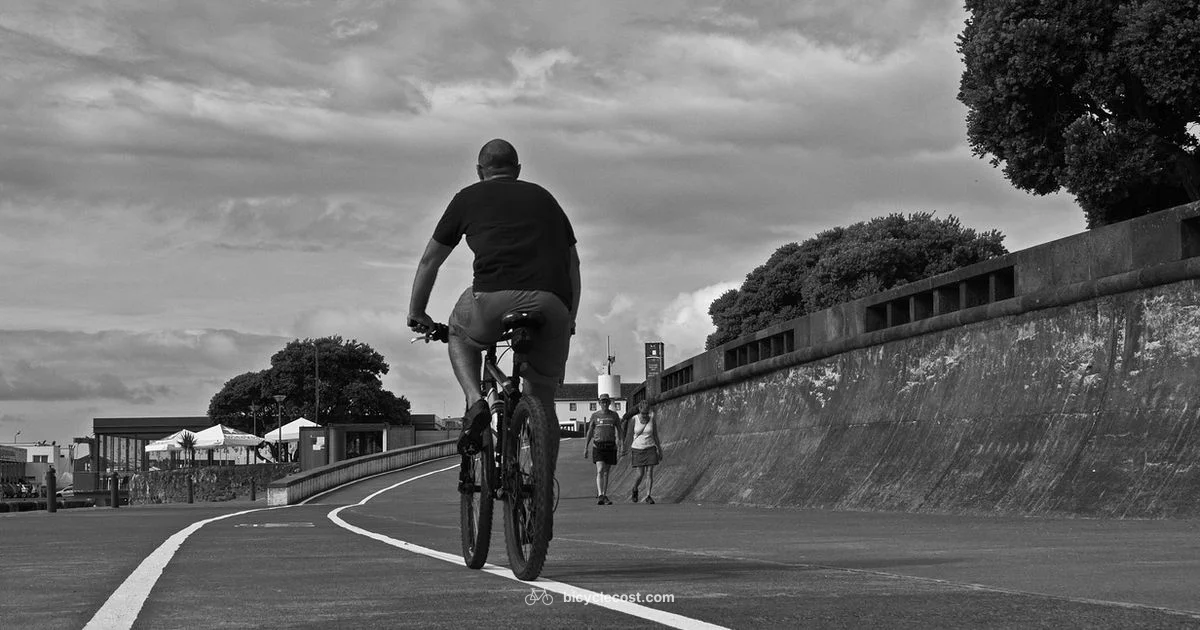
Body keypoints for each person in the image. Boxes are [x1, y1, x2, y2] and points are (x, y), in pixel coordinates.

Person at [407, 139, 580, 458]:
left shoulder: (467, 198)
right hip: (552, 304)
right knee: (543, 401)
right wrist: (570, 319)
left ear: (479, 171)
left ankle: (475, 401)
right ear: (518, 170)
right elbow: (573, 265)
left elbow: (430, 261)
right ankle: (542, 483)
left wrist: (418, 313)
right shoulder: (546, 198)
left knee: (458, 331)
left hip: (492, 302)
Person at [583, 393, 624, 505]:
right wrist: (586, 447)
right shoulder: (595, 415)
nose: (604, 404)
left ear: (609, 403)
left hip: (610, 446)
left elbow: (620, 430)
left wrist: (622, 444)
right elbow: (590, 432)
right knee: (600, 469)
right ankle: (600, 495)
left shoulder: (614, 415)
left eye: (606, 401)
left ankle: (604, 495)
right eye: (602, 402)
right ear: (599, 403)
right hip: (598, 446)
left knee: (606, 472)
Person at [622, 399, 662, 503]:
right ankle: (635, 488)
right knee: (640, 474)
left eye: (646, 413)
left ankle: (648, 495)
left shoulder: (652, 419)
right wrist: (625, 448)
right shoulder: (634, 419)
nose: (645, 415)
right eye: (643, 413)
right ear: (639, 409)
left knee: (649, 472)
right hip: (637, 449)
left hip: (650, 448)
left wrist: (659, 449)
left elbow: (655, 435)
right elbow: (629, 435)